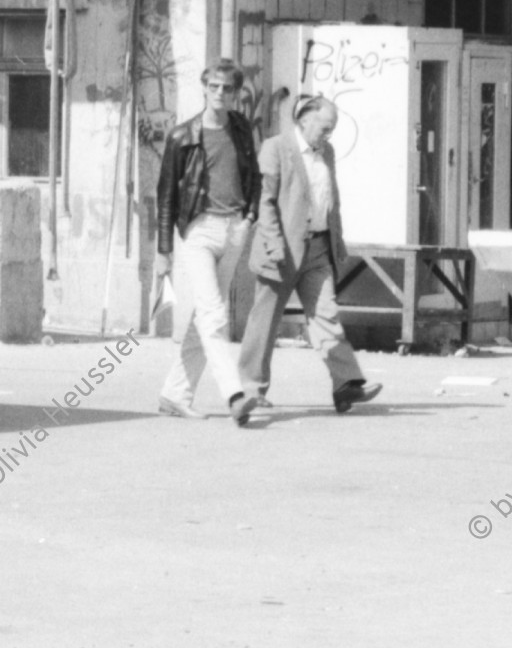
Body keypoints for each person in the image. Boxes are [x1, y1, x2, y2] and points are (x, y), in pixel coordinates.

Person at [240, 94, 382, 414]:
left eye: (332, 130)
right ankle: (250, 389)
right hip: (281, 249)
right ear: (304, 119)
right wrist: (274, 243)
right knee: (265, 321)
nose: (328, 135)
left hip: (317, 248)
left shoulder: (327, 152)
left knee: (326, 315)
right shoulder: (276, 148)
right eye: (325, 127)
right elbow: (264, 201)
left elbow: (331, 198)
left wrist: (337, 239)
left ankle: (345, 385)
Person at [154, 59, 263, 427]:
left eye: (227, 88)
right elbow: (166, 195)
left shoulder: (242, 129)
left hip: (234, 228)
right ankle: (234, 394)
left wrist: (249, 218)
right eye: (214, 86)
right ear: (204, 88)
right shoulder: (182, 136)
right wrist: (164, 252)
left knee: (205, 316)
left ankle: (175, 394)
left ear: (236, 93)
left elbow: (255, 178)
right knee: (215, 315)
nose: (220, 93)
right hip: (198, 230)